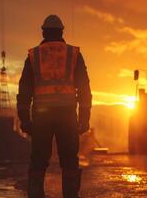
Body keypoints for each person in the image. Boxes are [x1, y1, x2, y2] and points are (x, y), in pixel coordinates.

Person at [17, 14, 92, 198]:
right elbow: (84, 89)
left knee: (38, 160)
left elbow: (24, 90)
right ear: (61, 32)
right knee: (69, 161)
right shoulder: (73, 55)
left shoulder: (34, 56)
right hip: (67, 116)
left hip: (42, 117)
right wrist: (84, 119)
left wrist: (25, 119)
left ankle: (35, 194)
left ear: (43, 32)